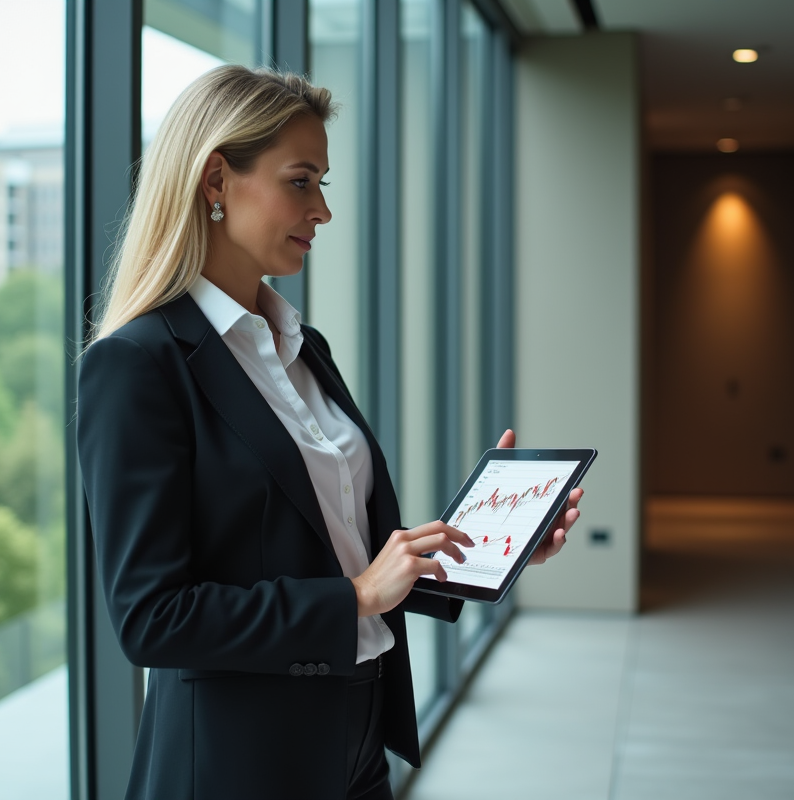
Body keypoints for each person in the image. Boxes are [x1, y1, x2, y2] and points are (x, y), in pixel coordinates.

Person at [77, 65, 583, 800]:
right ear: (216, 181)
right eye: (301, 181)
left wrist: (491, 548)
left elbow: (339, 547)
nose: (323, 212)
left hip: (354, 741)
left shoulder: (299, 344)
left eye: (323, 185)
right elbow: (153, 618)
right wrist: (353, 600)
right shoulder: (137, 366)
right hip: (238, 767)